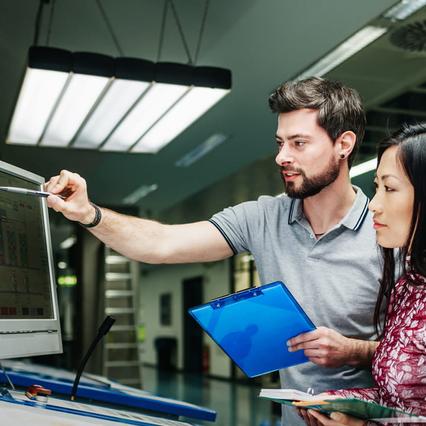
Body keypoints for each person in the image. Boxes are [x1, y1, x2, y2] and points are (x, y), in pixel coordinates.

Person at [46, 77, 383, 426]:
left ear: (343, 144)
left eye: (299, 143)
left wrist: (354, 351)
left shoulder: (390, 233)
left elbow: (416, 357)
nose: (282, 156)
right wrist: (89, 214)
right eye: (280, 142)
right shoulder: (263, 217)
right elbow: (160, 244)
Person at [299, 123, 426, 426]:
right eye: (377, 187)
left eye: (390, 188)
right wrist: (343, 402)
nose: (375, 205)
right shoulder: (409, 286)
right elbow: (399, 401)